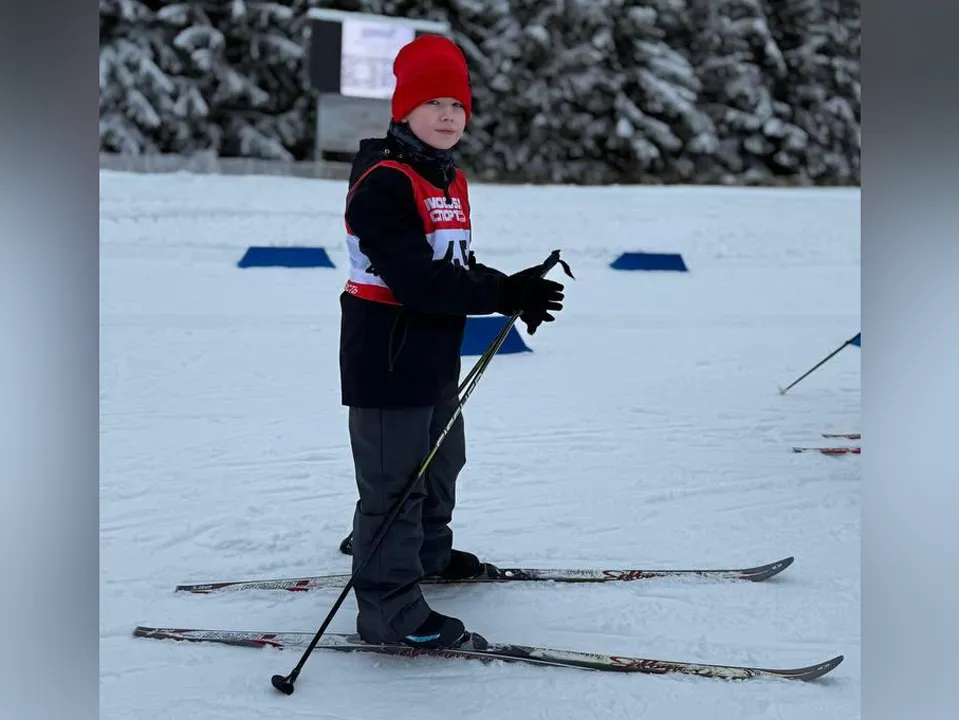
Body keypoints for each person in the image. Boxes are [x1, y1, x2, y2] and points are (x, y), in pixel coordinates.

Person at [339, 34, 565, 650]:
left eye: (458, 105)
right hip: (386, 354)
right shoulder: (385, 181)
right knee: (395, 483)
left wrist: (510, 287)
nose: (447, 115)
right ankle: (388, 612)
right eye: (433, 102)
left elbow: (455, 265)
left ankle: (428, 556)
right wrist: (498, 295)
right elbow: (414, 278)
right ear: (403, 109)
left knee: (441, 464)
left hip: (432, 350)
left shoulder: (445, 178)